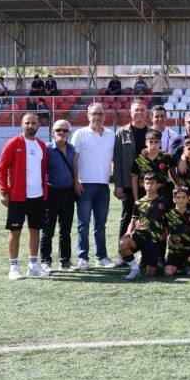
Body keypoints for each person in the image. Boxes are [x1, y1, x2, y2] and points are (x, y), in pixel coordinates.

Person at [0, 113, 49, 280]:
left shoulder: (41, 145)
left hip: (38, 196)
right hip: (17, 197)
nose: (30, 126)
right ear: (21, 124)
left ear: (38, 125)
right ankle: (13, 267)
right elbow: (2, 169)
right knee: (15, 231)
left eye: (33, 123)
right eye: (27, 123)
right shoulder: (13, 143)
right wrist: (4, 192)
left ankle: (33, 265)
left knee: (35, 230)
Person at [71, 103, 116, 270]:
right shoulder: (80, 134)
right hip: (85, 185)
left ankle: (101, 257)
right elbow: (74, 160)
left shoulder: (111, 135)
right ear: (88, 115)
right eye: (93, 113)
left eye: (100, 113)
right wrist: (76, 181)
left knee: (101, 223)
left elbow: (114, 160)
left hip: (103, 186)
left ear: (105, 116)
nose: (97, 116)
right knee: (83, 223)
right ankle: (83, 258)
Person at [113, 99, 154, 266]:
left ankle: (147, 256)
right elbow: (117, 161)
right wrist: (118, 184)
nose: (139, 113)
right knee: (127, 217)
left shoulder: (151, 133)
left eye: (142, 110)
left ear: (146, 113)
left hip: (149, 185)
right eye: (136, 110)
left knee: (149, 219)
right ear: (130, 112)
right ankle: (123, 255)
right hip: (129, 184)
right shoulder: (121, 133)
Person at [40, 119, 77, 272]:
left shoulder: (72, 149)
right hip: (51, 192)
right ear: (53, 132)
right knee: (48, 229)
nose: (61, 133)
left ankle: (65, 261)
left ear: (69, 133)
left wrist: (76, 183)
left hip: (68, 192)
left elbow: (75, 168)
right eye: (58, 130)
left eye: (65, 130)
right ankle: (45, 261)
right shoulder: (46, 148)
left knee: (66, 229)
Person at [118, 172, 167, 280]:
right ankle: (135, 269)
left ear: (158, 185)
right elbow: (133, 220)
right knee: (123, 243)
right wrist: (128, 232)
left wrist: (166, 233)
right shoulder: (138, 203)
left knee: (150, 274)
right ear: (143, 184)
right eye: (147, 183)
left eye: (152, 183)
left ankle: (157, 265)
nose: (149, 186)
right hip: (140, 235)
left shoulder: (163, 201)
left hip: (154, 239)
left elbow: (167, 221)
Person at [164, 186, 190, 277]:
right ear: (174, 199)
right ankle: (180, 267)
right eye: (178, 197)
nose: (181, 200)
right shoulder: (168, 214)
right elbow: (164, 231)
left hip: (189, 250)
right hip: (174, 251)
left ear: (188, 199)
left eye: (184, 197)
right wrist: (167, 236)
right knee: (168, 273)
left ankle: (187, 265)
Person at [131, 130, 176, 202]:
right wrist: (136, 199)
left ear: (160, 143)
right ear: (146, 143)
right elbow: (134, 179)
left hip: (162, 195)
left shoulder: (167, 157)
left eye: (156, 142)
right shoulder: (139, 159)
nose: (153, 145)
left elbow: (173, 173)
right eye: (150, 142)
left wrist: (177, 186)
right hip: (144, 194)